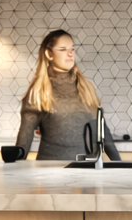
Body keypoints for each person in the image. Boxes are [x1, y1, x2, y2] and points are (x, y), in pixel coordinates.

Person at [14, 29, 122, 162]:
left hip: (87, 172)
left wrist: (120, 165)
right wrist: (14, 166)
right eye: (63, 49)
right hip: (50, 173)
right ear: (49, 54)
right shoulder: (38, 92)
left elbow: (103, 134)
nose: (70, 53)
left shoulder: (86, 88)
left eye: (72, 49)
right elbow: (24, 142)